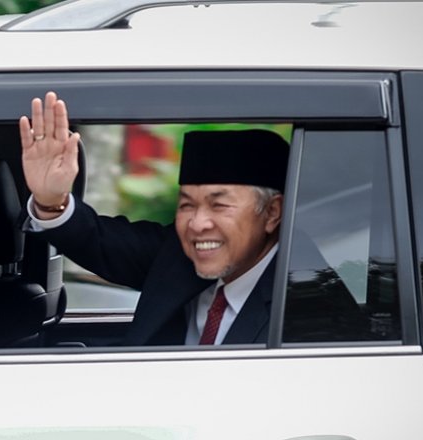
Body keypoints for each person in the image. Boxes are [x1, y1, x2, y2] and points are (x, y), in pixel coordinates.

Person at [19, 92, 288, 346]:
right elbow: (96, 240)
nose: (197, 224)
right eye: (187, 204)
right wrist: (51, 200)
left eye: (219, 205)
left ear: (272, 213)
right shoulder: (178, 257)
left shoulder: (300, 297)